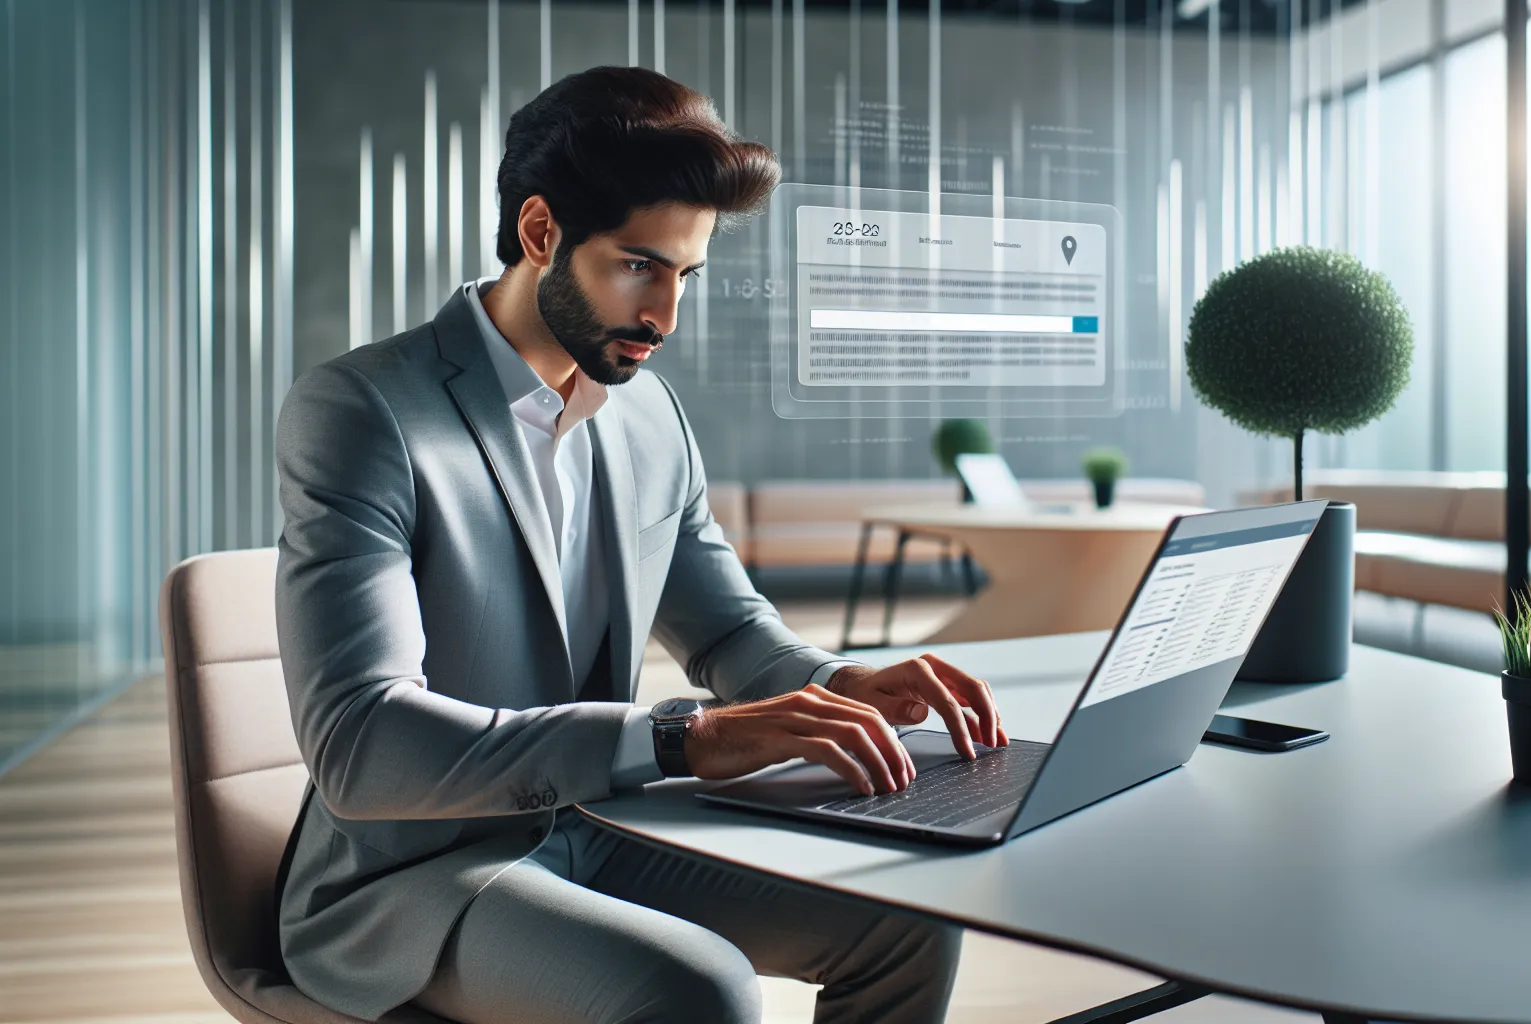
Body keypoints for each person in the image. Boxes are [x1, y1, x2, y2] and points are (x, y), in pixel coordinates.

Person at [273, 66, 1008, 1024]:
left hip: (592, 825)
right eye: (638, 265)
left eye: (683, 275)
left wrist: (842, 686)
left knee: (909, 920)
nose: (664, 316)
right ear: (541, 233)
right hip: (413, 877)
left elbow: (732, 636)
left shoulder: (648, 413)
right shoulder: (364, 412)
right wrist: (682, 738)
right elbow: (362, 747)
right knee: (698, 990)